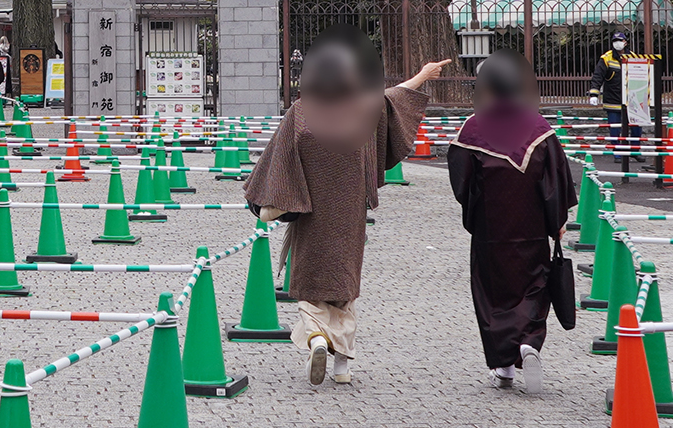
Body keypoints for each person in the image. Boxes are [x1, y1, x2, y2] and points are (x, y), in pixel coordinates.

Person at [244, 25, 447, 385]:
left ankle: (318, 338)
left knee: (309, 288)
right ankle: (342, 367)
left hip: (310, 215)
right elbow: (394, 97)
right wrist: (424, 74)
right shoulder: (364, 110)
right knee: (344, 288)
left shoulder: (301, 112)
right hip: (350, 216)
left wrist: (271, 197)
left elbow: (278, 162)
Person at [449, 52, 577, 392]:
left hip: (492, 231)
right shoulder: (539, 128)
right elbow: (555, 181)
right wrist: (557, 221)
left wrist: (477, 210)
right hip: (532, 230)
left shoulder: (473, 128)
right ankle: (528, 344)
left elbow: (462, 184)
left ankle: (504, 367)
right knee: (533, 288)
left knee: (493, 294)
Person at [589, 30, 644, 159]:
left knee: (636, 127)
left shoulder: (633, 57)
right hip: (612, 99)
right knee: (614, 128)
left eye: (619, 41)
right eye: (615, 41)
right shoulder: (606, 58)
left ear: (625, 42)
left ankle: (635, 151)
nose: (617, 43)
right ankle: (617, 153)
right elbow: (598, 77)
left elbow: (640, 76)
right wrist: (594, 94)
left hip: (632, 100)